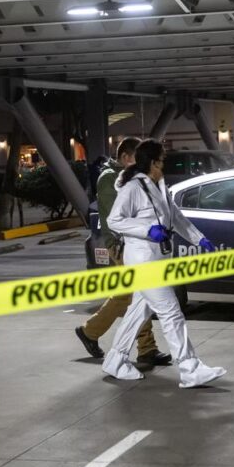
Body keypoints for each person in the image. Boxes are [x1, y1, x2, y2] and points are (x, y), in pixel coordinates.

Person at [103, 139, 226, 388]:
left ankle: (115, 359)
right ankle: (189, 368)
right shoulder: (133, 188)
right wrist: (147, 230)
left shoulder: (159, 185)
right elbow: (114, 220)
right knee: (171, 312)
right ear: (152, 162)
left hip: (157, 259)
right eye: (162, 159)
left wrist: (200, 239)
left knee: (140, 311)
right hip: (143, 261)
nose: (165, 162)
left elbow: (176, 217)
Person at [74, 137, 171, 367]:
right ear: (126, 157)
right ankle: (145, 349)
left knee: (127, 296)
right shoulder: (109, 179)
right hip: (120, 245)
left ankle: (90, 333)